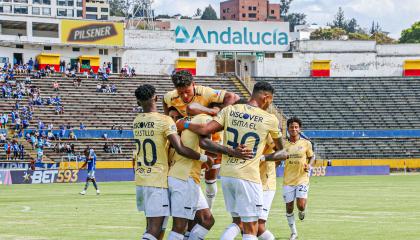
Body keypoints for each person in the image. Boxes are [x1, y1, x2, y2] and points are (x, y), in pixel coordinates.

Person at [177, 81, 289, 240]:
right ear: (266, 97)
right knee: (251, 227)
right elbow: (282, 151)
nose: (270, 104)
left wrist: (186, 123)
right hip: (248, 176)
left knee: (237, 222)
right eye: (270, 100)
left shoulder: (229, 110)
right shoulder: (269, 119)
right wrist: (263, 157)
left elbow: (205, 131)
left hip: (227, 176)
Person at [133, 84, 213, 240]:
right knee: (156, 230)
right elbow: (181, 148)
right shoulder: (165, 120)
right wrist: (204, 158)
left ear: (138, 102)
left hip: (142, 179)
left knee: (155, 227)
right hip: (158, 180)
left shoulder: (137, 121)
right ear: (155, 98)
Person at [168, 112, 253, 240]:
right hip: (185, 177)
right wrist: (231, 152)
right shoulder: (204, 118)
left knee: (207, 220)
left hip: (186, 177)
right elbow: (204, 143)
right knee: (180, 227)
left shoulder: (189, 121)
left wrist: (206, 158)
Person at [163, 70, 239, 209]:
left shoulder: (205, 92)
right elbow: (166, 111)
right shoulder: (170, 97)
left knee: (210, 180)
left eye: (188, 91)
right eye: (181, 93)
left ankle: (208, 208)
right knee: (187, 176)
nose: (185, 96)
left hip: (211, 138)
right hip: (189, 138)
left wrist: (217, 112)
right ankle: (192, 207)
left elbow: (233, 96)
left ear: (194, 84)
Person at [283, 117, 315, 240]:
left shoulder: (306, 143)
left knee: (300, 205)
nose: (294, 129)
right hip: (288, 180)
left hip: (302, 178)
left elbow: (312, 156)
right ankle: (294, 233)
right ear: (288, 129)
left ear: (299, 129)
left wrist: (310, 165)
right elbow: (278, 156)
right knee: (289, 207)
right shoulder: (283, 144)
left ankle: (302, 211)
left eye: (296, 127)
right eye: (292, 127)